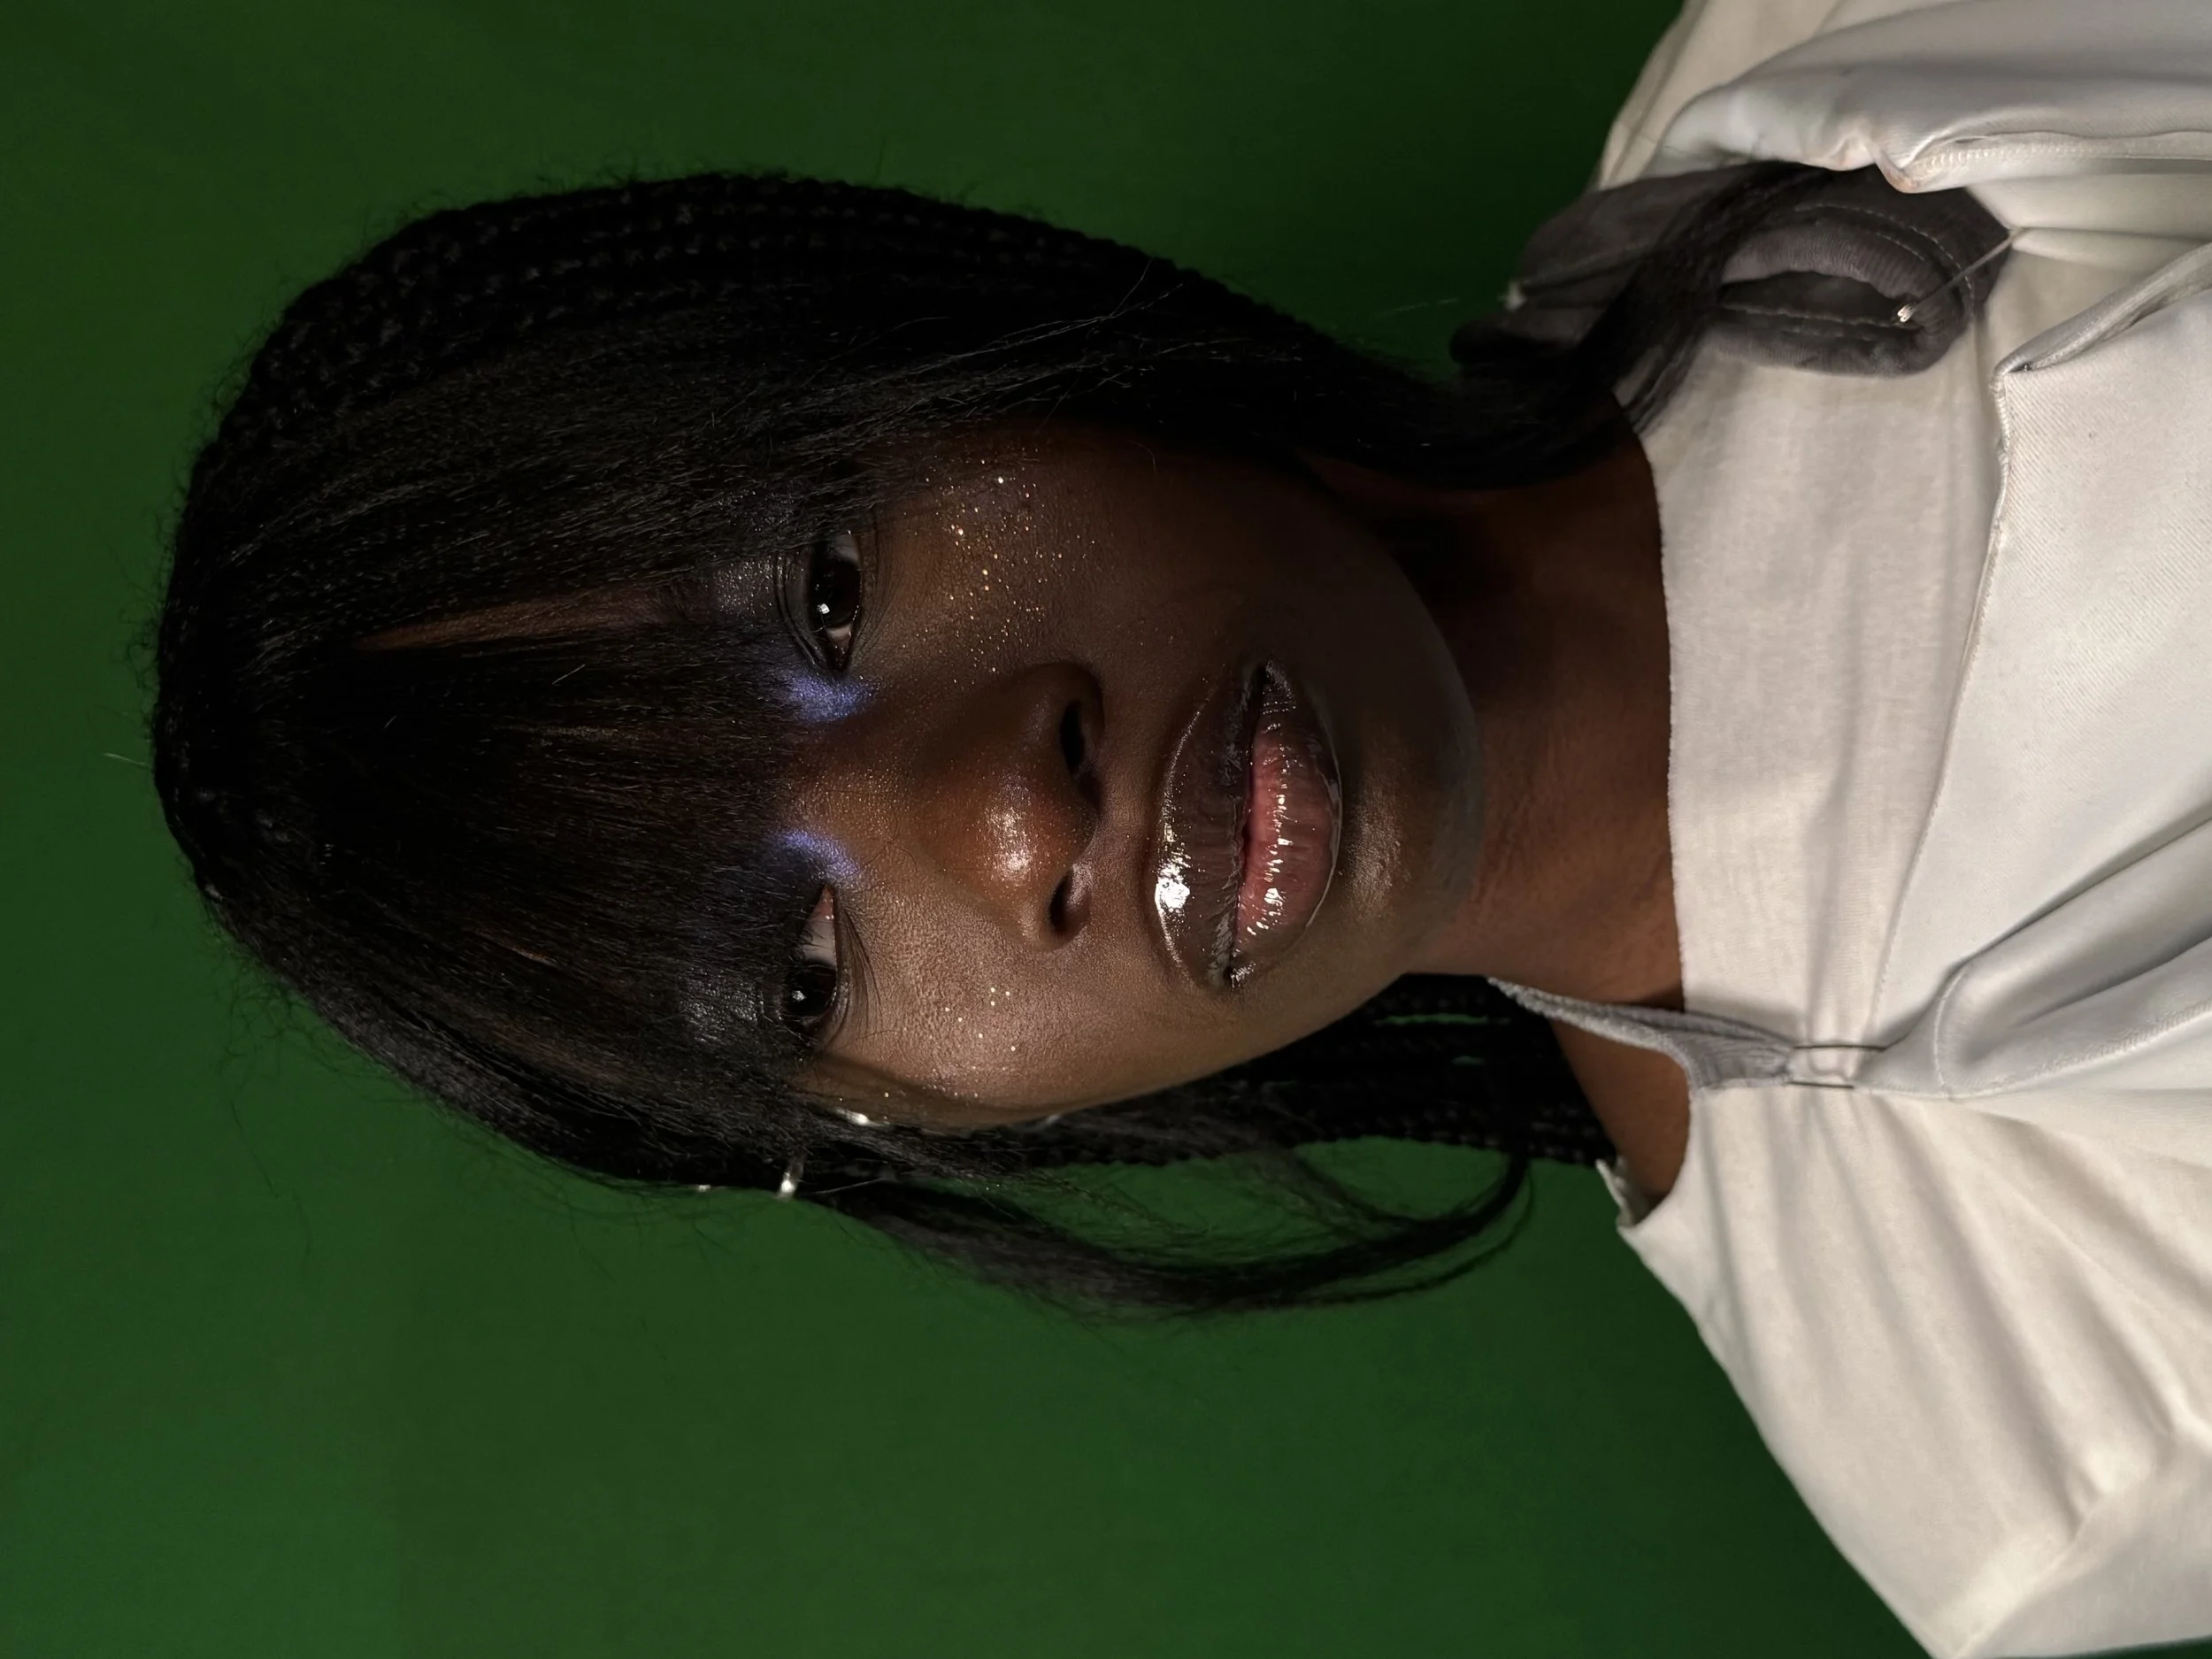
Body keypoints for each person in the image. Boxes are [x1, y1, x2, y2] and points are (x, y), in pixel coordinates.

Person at [150, 0, 2212, 1652]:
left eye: (827, 596)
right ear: (908, 1118)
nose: (994, 811)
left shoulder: (1822, 62)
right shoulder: (2028, 1437)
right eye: (797, 972)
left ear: (935, 357)